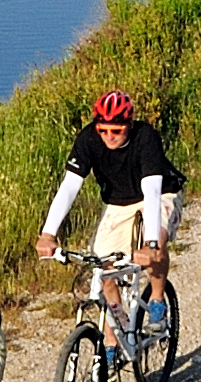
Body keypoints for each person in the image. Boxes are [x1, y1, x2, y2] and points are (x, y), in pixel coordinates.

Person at [37, 86, 179, 310]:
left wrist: (151, 243)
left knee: (157, 247)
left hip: (160, 194)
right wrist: (48, 234)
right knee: (103, 270)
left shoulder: (146, 138)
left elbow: (151, 190)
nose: (109, 137)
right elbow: (69, 187)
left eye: (117, 130)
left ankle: (158, 300)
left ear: (129, 125)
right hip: (119, 202)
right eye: (103, 130)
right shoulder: (88, 139)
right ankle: (116, 336)